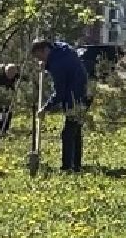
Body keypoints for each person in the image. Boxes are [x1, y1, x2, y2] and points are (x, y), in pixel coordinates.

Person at [32, 39, 89, 172]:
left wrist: (45, 108)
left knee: (68, 134)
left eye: (39, 56)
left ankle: (67, 167)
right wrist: (45, 66)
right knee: (75, 132)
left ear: (45, 50)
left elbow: (60, 93)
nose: (39, 60)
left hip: (74, 97)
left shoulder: (57, 64)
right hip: (83, 92)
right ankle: (76, 165)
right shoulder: (62, 48)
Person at [0, 63, 21, 138]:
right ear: (6, 71)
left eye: (13, 73)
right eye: (10, 73)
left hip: (9, 97)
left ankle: (5, 130)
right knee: (0, 114)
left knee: (8, 113)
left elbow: (23, 78)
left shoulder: (15, 75)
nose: (11, 75)